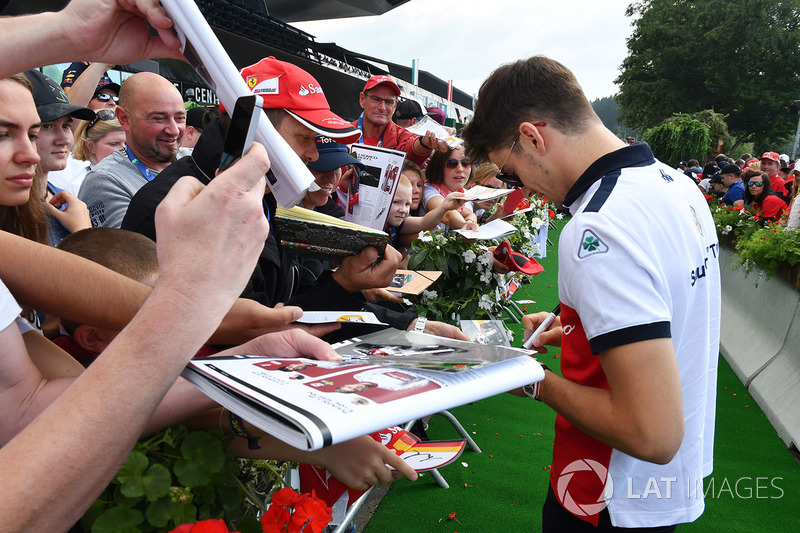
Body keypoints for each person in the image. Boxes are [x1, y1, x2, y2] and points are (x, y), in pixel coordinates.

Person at [0, 4, 415, 527]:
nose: (32, 153)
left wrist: (243, 343)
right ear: (252, 126)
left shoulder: (257, 195)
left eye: (33, 131)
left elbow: (40, 403)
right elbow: (114, 346)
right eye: (2, 133)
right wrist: (210, 326)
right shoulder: (176, 199)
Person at [462, 55, 720, 531]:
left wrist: (529, 377)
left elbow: (653, 433)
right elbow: (672, 315)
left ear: (532, 136)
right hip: (661, 488)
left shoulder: (598, 226)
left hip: (606, 493)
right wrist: (578, 331)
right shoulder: (677, 184)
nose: (527, 190)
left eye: (514, 173)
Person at [79, 71, 186, 228]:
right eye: (159, 118)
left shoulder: (195, 160)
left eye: (180, 118)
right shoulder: (105, 181)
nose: (174, 130)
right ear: (124, 119)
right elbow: (134, 250)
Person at [24, 69, 94, 243]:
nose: (64, 139)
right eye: (47, 126)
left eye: (66, 126)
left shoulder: (64, 199)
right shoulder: (10, 208)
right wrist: (83, 233)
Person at [353, 75, 447, 166]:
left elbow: (412, 149)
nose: (382, 107)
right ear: (362, 100)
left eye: (389, 102)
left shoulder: (402, 136)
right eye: (376, 99)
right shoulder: (342, 133)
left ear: (395, 106)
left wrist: (424, 143)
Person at [419, 144, 479, 231]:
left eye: (465, 163)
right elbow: (448, 214)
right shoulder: (429, 189)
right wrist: (466, 227)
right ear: (438, 166)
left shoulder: (465, 193)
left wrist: (470, 221)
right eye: (452, 164)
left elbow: (469, 214)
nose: (460, 169)